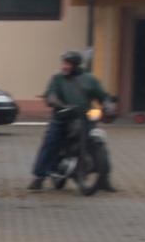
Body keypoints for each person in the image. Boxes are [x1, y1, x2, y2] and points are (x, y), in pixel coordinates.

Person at [29, 50, 113, 191]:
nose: (64, 66)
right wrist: (59, 105)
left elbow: (103, 95)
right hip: (63, 118)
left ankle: (104, 178)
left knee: (99, 143)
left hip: (84, 118)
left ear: (75, 65)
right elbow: (51, 95)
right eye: (64, 63)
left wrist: (108, 106)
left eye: (68, 64)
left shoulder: (90, 79)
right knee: (50, 142)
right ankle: (39, 176)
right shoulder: (57, 79)